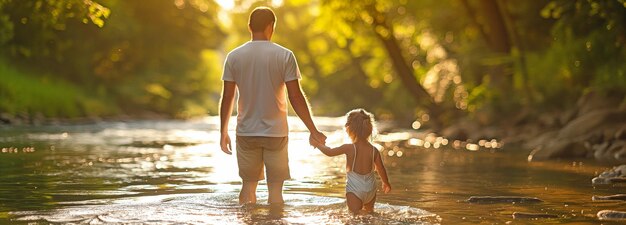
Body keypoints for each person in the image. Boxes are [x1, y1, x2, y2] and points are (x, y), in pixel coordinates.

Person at [219, 6, 327, 205]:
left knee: (248, 187)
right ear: (271, 27)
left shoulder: (233, 57)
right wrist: (313, 129)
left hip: (246, 133)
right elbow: (295, 96)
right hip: (276, 133)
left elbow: (228, 97)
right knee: (276, 192)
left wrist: (223, 132)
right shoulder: (284, 55)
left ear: (249, 26)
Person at [310, 109, 391, 214]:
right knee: (370, 214)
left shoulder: (349, 148)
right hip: (371, 188)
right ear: (369, 130)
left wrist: (317, 144)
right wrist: (386, 182)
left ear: (349, 129)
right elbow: (381, 168)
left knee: (354, 215)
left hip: (355, 190)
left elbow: (329, 152)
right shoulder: (374, 150)